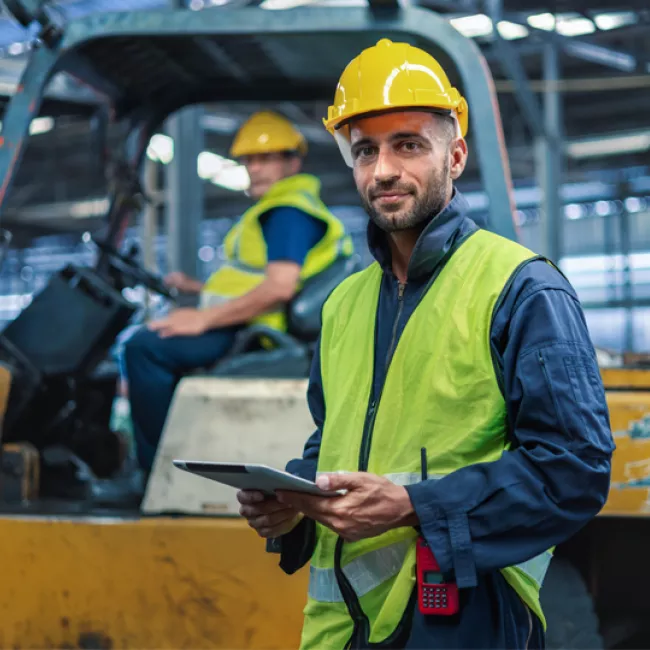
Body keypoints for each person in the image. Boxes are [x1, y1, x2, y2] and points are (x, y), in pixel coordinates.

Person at [236, 39, 614, 649]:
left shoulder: (522, 288)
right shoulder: (343, 305)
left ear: (456, 155)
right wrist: (294, 501)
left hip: (464, 614)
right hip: (343, 628)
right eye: (365, 150)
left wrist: (414, 505)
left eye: (407, 144)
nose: (383, 168)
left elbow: (575, 469)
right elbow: (332, 437)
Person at [124, 110, 354, 474]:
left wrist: (201, 319)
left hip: (257, 332)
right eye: (249, 161)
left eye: (265, 159)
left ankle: (153, 474)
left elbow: (279, 287)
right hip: (250, 322)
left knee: (144, 349)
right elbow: (260, 276)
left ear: (292, 162)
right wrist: (198, 289)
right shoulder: (284, 207)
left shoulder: (287, 211)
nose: (255, 169)